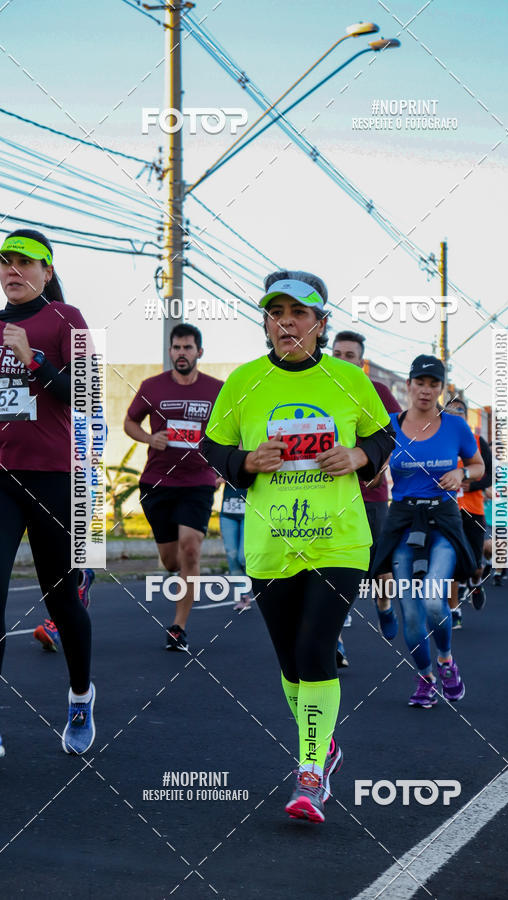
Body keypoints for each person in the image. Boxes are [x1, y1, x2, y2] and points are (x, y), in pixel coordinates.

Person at [203, 270, 395, 822]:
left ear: (321, 323)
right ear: (266, 321)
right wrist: (245, 462)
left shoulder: (349, 381)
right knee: (290, 661)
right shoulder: (243, 382)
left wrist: (360, 457)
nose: (286, 321)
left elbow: (383, 434)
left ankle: (310, 775)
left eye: (299, 312)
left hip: (338, 538)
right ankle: (325, 743)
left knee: (315, 649)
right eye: (276, 311)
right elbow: (214, 446)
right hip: (271, 542)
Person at [0, 229, 95, 756]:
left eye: (25, 263)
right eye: (6, 262)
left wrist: (34, 360)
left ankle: (80, 696)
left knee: (61, 599)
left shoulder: (66, 319)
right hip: (2, 479)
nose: (13, 271)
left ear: (47, 271)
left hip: (55, 479)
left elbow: (86, 393)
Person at [372, 355, 484, 709]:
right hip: (404, 520)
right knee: (412, 618)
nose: (425, 390)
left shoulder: (456, 427)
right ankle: (425, 678)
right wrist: (371, 474)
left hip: (444, 519)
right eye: (419, 383)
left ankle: (447, 661)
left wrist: (462, 475)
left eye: (433, 384)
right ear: (408, 385)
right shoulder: (389, 426)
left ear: (441, 389)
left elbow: (478, 465)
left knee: (436, 601)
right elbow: (371, 468)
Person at [125, 324, 222, 651]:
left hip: (198, 482)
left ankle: (178, 627)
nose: (182, 353)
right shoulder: (152, 387)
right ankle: (178, 571)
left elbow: (231, 432)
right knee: (170, 560)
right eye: (177, 348)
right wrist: (150, 438)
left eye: (188, 348)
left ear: (200, 352)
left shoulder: (217, 390)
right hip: (157, 481)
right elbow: (129, 422)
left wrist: (223, 468)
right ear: (170, 352)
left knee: (191, 549)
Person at [331, 330, 402, 663]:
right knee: (332, 570)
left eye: (349, 355)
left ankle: (384, 606)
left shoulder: (378, 392)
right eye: (337, 354)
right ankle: (336, 643)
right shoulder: (320, 390)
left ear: (361, 362)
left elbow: (389, 438)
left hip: (372, 495)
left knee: (381, 572)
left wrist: (375, 470)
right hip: (330, 495)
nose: (342, 359)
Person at [445, 397, 492, 628]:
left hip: (474, 509)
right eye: (449, 410)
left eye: (459, 411)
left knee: (474, 565)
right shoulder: (438, 439)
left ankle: (476, 581)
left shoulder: (477, 441)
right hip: (448, 511)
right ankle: (454, 611)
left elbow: (491, 475)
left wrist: (470, 484)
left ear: (465, 416)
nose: (454, 414)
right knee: (451, 563)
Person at [218, 478, 251, 610]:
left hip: (249, 512)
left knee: (243, 557)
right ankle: (244, 596)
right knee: (232, 556)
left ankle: (258, 577)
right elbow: (212, 484)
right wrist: (217, 480)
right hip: (228, 513)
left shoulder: (252, 457)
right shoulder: (224, 460)